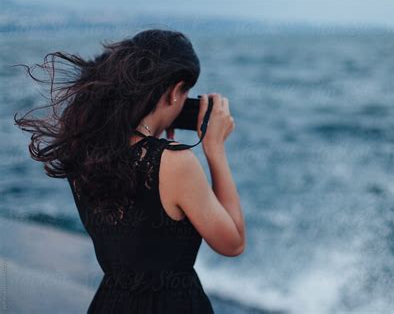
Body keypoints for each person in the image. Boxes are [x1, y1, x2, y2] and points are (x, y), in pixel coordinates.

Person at [13, 28, 246, 313]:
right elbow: (232, 243)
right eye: (186, 93)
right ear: (175, 91)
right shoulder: (174, 162)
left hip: (110, 302)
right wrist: (215, 149)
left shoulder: (84, 148)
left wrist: (157, 131)